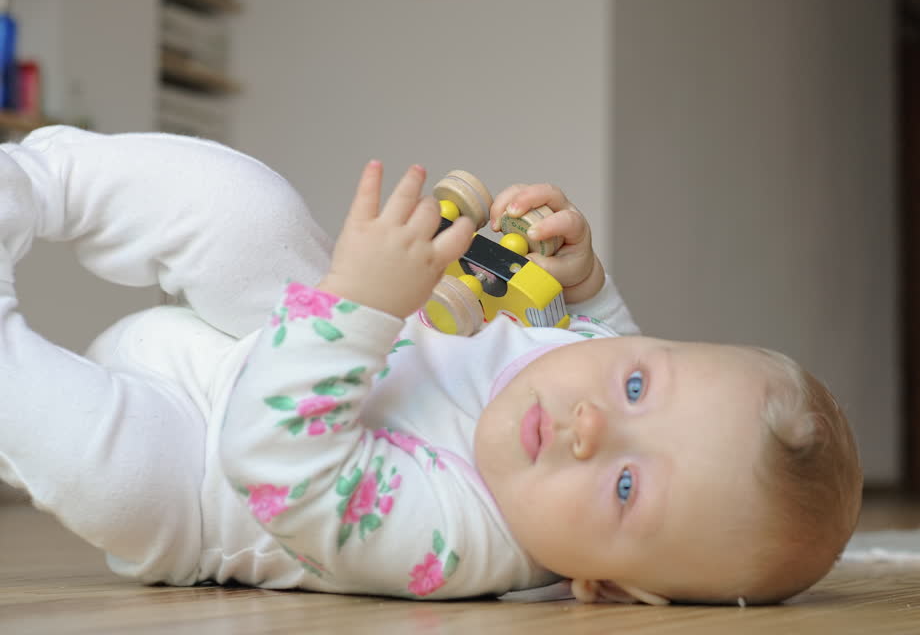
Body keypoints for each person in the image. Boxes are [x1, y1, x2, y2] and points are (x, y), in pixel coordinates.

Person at [0, 125, 862, 605]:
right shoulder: (595, 365)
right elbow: (601, 330)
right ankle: (34, 180)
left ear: (609, 586)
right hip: (272, 322)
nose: (594, 422)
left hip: (194, 474)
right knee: (249, 213)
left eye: (628, 488)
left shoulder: (461, 543)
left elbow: (275, 463)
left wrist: (366, 304)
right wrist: (582, 276)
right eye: (639, 383)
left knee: (104, 469)